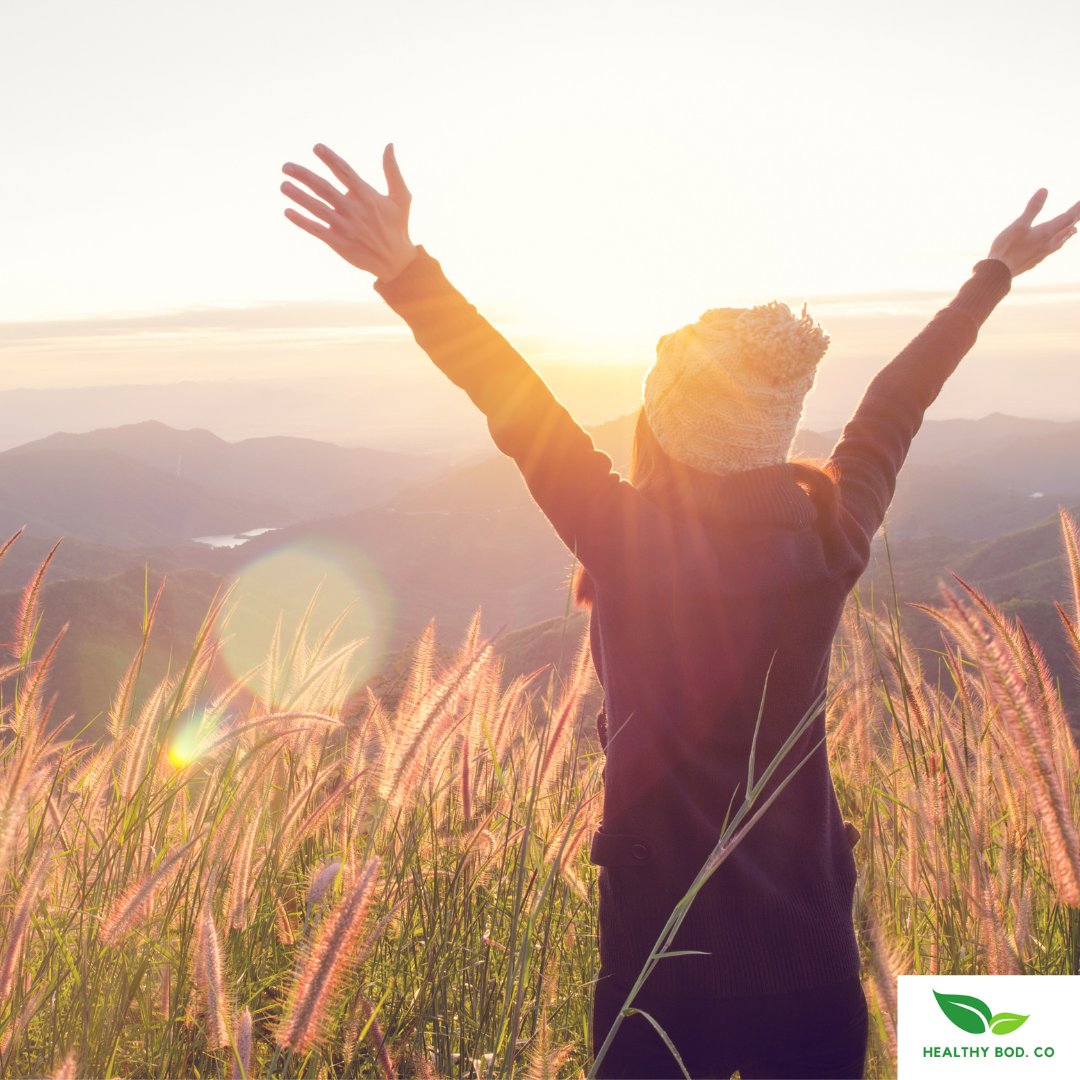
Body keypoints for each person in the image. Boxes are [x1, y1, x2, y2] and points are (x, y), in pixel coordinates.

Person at [280, 144, 1079, 1079]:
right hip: (811, 958)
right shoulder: (831, 535)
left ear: (659, 425)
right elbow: (894, 406)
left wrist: (408, 273)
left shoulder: (625, 539)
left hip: (659, 970)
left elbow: (514, 403)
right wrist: (994, 275)